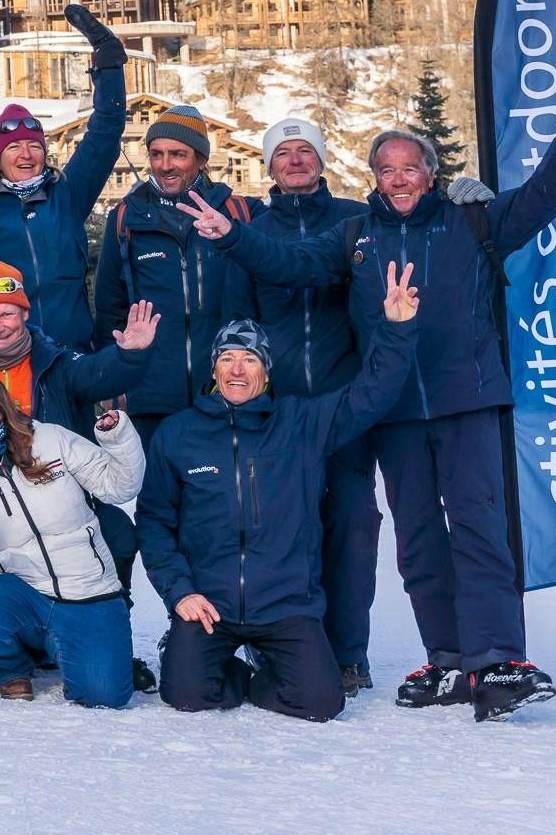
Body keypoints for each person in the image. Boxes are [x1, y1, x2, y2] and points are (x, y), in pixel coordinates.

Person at [188, 81, 556, 722]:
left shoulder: (471, 220)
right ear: (375, 179)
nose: (399, 178)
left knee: (478, 527)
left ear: (431, 174)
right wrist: (231, 238)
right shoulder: (355, 237)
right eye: (387, 170)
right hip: (394, 411)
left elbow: (543, 198)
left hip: (467, 401)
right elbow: (289, 262)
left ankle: (495, 656)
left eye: (411, 168)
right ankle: (447, 657)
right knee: (417, 540)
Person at [137, 267, 421, 723]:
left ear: (266, 372)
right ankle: (198, 654)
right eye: (227, 358)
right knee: (187, 694)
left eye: (249, 360)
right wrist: (181, 593)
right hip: (209, 604)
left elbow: (370, 395)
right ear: (213, 369)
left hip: (286, 605)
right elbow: (154, 521)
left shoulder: (301, 424)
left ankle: (262, 672)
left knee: (321, 702)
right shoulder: (178, 433)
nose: (236, 369)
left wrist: (398, 329)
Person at [0, 259, 159, 689]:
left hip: (65, 493)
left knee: (116, 530)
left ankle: (105, 636)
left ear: (24, 313)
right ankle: (0, 649)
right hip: (6, 533)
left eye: (7, 313)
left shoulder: (54, 364)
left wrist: (130, 355)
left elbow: (98, 374)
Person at [220, 115, 382, 694]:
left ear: (321, 160)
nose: (294, 160)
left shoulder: (355, 222)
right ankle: (288, 644)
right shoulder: (252, 232)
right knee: (283, 529)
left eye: (304, 151)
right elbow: (237, 323)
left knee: (353, 521)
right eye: (282, 153)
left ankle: (347, 653)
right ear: (267, 165)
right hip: (279, 409)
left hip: (345, 406)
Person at [0, 366, 145, 708]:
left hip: (87, 593)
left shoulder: (49, 439)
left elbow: (119, 487)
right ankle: (11, 669)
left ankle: (71, 647)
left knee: (105, 697)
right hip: (25, 596)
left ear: (0, 407)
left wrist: (116, 438)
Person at [0, 5, 129, 348]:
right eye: (13, 148)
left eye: (33, 146)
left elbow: (105, 133)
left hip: (71, 351)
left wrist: (107, 62)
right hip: (8, 357)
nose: (25, 155)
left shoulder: (66, 194)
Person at [92, 101, 253, 441]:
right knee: (158, 494)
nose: (165, 165)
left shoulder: (237, 213)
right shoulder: (126, 219)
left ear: (201, 159)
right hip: (151, 395)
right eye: (156, 154)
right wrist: (113, 380)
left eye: (178, 154)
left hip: (225, 390)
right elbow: (110, 309)